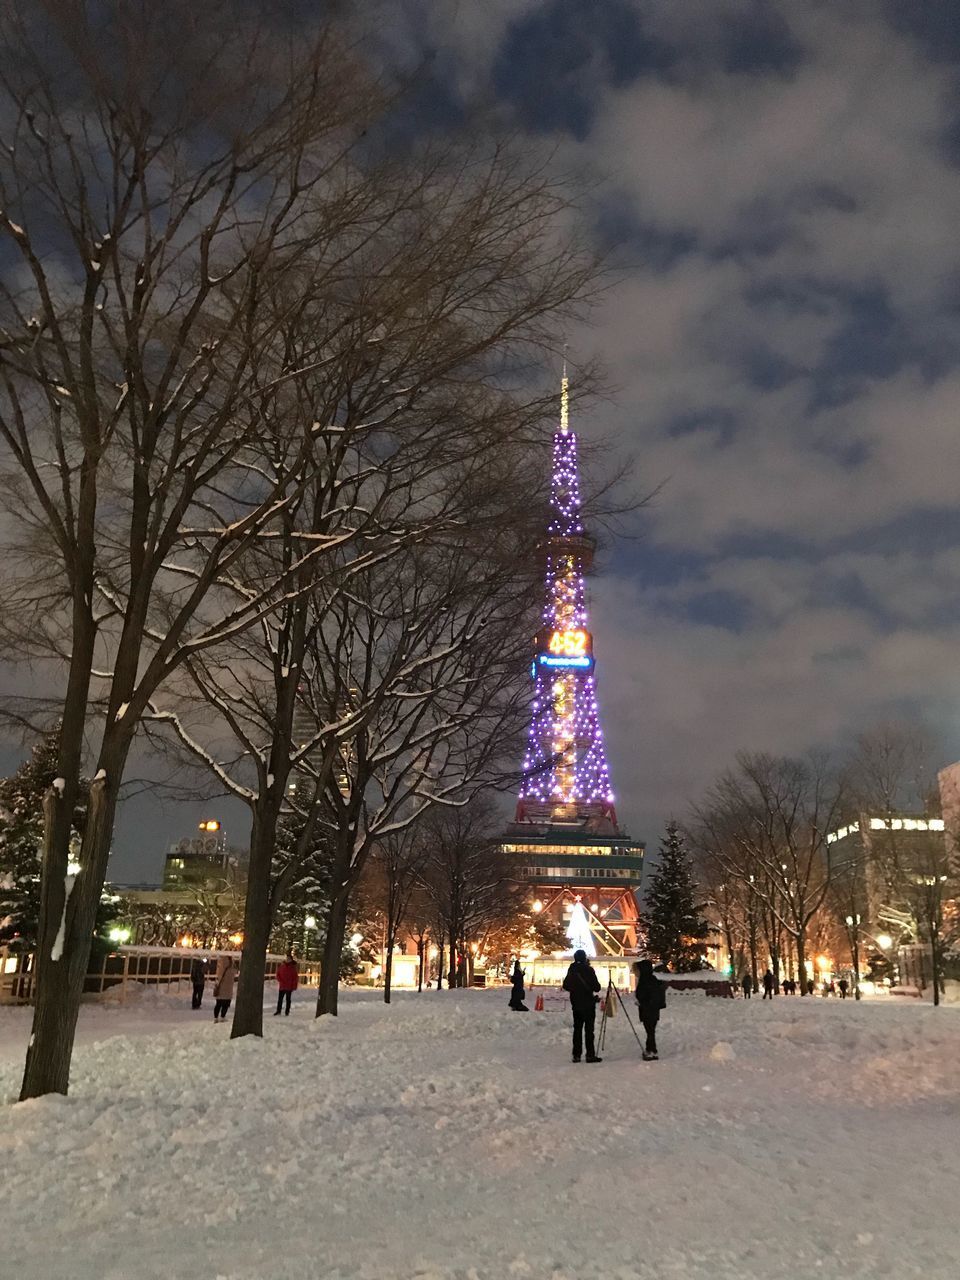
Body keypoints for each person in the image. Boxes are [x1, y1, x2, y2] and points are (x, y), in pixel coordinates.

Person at [562, 949, 602, 1063]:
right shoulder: (589, 970)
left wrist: (575, 990)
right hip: (588, 1004)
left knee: (577, 1030)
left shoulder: (572, 970)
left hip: (576, 1003)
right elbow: (596, 987)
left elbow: (566, 985)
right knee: (589, 1030)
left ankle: (576, 1055)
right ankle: (590, 1054)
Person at [635, 959, 667, 1060]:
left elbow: (640, 994)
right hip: (654, 1009)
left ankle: (651, 1050)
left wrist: (641, 1002)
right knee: (651, 1030)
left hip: (646, 1008)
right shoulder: (654, 980)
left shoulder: (644, 981)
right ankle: (651, 1049)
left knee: (649, 1031)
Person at [274, 951, 299, 1016]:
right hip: (282, 985)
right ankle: (278, 1010)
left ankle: (287, 1011)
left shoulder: (293, 968)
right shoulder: (282, 966)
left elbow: (295, 978)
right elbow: (278, 974)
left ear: (291, 960)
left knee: (288, 999)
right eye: (287, 959)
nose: (287, 960)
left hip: (289, 986)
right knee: (280, 999)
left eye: (289, 959)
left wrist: (294, 986)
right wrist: (280, 980)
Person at [213, 955, 236, 1022]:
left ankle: (215, 1017)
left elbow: (218, 977)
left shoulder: (221, 966)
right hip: (228, 989)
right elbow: (235, 972)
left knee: (218, 1004)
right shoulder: (232, 967)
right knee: (225, 1004)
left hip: (221, 988)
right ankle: (223, 1016)